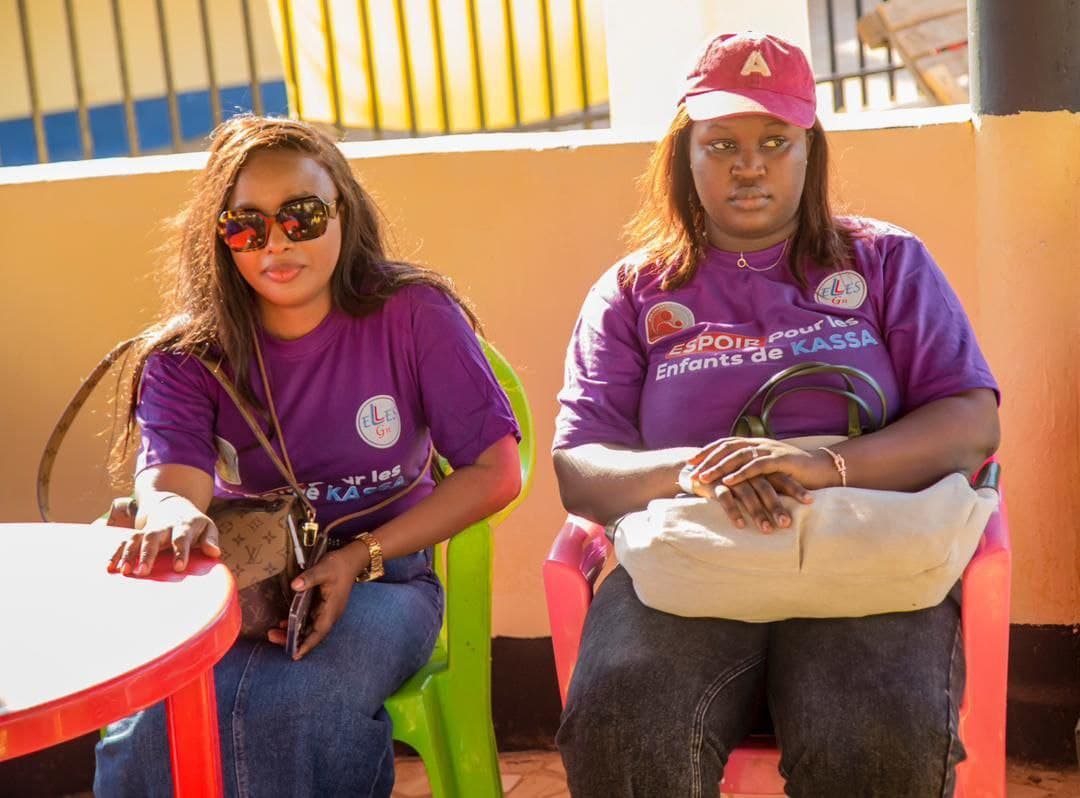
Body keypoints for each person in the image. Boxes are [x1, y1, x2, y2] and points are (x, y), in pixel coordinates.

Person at [552, 32, 999, 798]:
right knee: (624, 720)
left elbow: (970, 422)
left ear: (809, 150)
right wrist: (698, 471)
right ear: (685, 156)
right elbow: (581, 466)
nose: (748, 163)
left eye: (774, 141)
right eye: (721, 142)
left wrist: (817, 465)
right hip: (692, 561)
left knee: (874, 736)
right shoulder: (633, 291)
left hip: (869, 550)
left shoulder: (887, 262)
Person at [94, 115, 521, 796]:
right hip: (247, 589)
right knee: (157, 723)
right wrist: (172, 513)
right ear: (220, 239)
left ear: (343, 210)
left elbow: (495, 472)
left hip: (387, 580)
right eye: (246, 226)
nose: (275, 243)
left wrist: (359, 557)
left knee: (295, 701)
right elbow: (171, 479)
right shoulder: (188, 357)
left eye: (302, 215)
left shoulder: (414, 314)